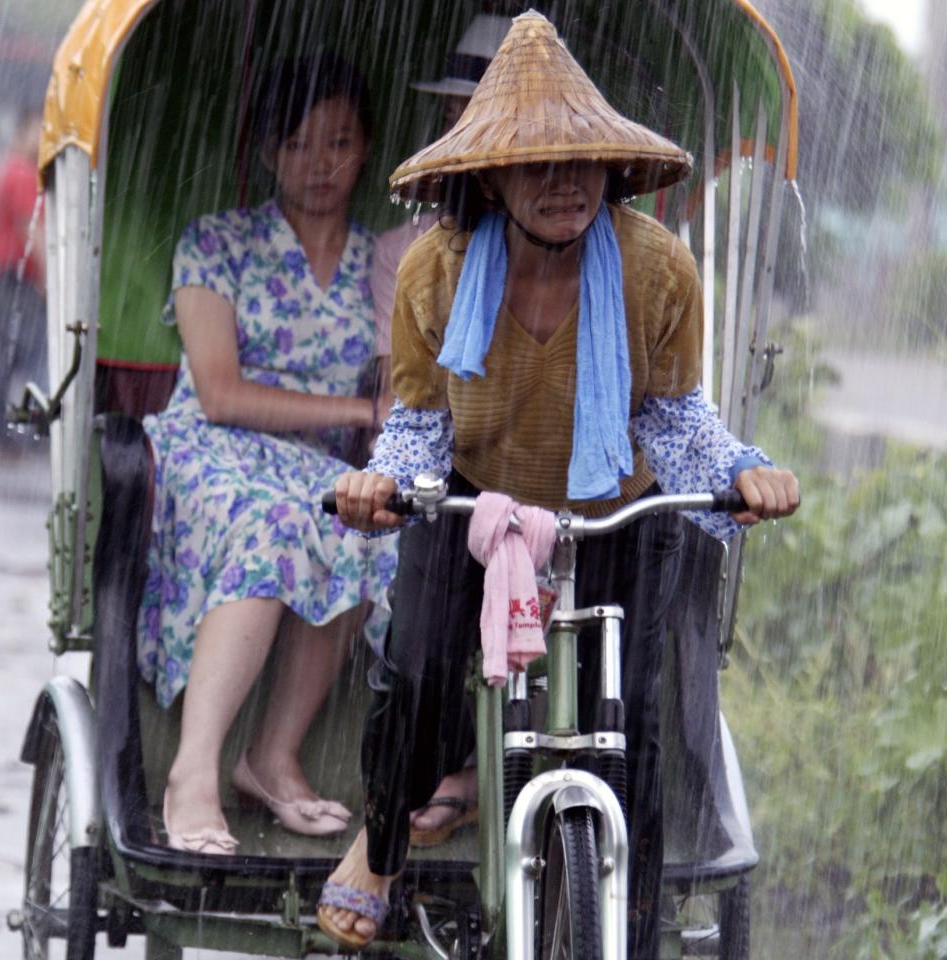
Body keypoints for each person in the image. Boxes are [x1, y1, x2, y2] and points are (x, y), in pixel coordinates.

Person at [317, 13, 800, 957]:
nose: (563, 183)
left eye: (581, 162)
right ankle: (378, 848)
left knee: (638, 725)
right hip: (474, 495)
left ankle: (636, 919)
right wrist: (382, 482)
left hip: (619, 510)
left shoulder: (659, 268)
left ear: (611, 169)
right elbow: (421, 422)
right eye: (536, 164)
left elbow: (672, 414)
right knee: (413, 674)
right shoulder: (437, 270)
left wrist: (743, 468)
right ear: (489, 175)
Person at [136, 53, 397, 855]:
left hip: (317, 463)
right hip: (210, 450)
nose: (318, 166)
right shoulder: (216, 243)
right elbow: (219, 391)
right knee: (270, 521)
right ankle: (192, 770)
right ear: (265, 151)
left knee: (369, 521)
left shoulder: (382, 263)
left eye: (339, 142)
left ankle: (274, 755)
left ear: (366, 148)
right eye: (296, 145)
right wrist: (359, 407)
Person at [371, 11, 511, 851]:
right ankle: (389, 817)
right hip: (436, 456)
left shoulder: (601, 244)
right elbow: (408, 398)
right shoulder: (419, 250)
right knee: (420, 609)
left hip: (549, 469)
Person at [0, 105, 46, 450]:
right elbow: (29, 228)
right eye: (39, 129)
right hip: (14, 275)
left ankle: (3, 431)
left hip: (3, 273)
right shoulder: (22, 172)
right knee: (29, 351)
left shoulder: (9, 169)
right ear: (24, 130)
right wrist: (48, 279)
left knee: (10, 354)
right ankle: (24, 432)